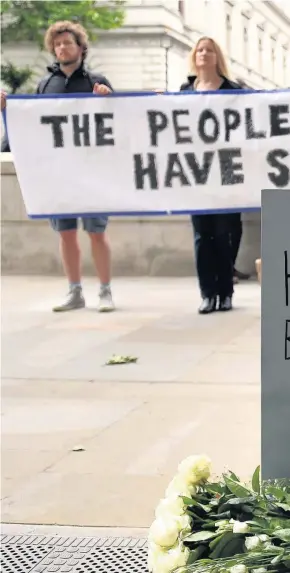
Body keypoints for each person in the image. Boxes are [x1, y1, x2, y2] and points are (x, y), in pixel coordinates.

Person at [1, 21, 114, 313]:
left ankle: (105, 290)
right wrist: (7, 110)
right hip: (58, 174)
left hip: (92, 173)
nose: (63, 48)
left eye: (68, 43)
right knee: (65, 233)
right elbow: (33, 122)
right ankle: (74, 291)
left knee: (96, 232)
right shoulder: (44, 84)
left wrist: (105, 100)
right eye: (58, 44)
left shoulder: (96, 81)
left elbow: (116, 121)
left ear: (80, 47)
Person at [180, 37, 242, 314]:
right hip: (196, 171)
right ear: (195, 56)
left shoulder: (233, 90)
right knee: (202, 236)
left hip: (227, 168)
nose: (204, 54)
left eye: (209, 50)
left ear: (218, 57)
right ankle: (207, 293)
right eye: (200, 50)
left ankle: (225, 291)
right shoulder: (184, 91)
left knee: (225, 232)